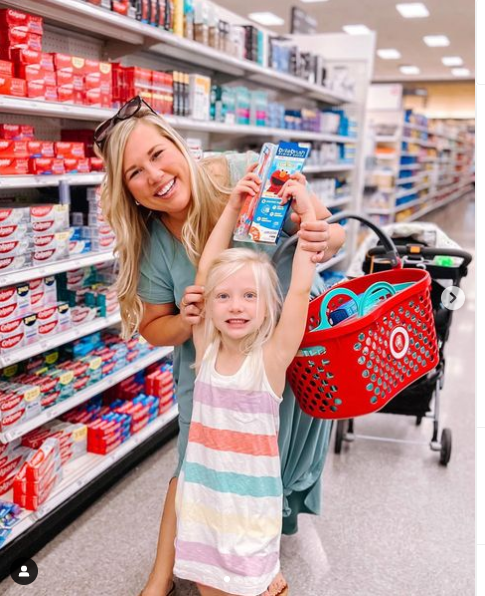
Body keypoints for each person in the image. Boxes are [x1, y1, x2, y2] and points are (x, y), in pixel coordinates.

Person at [94, 96, 344, 596]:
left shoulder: (239, 174)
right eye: (135, 173)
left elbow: (328, 234)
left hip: (281, 352)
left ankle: (257, 562)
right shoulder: (148, 241)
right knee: (195, 463)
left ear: (178, 146)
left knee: (267, 463)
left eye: (158, 155)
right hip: (210, 358)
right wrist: (189, 322)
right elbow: (155, 326)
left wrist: (320, 232)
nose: (155, 176)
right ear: (128, 192)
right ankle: (161, 576)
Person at [172, 163, 317, 596]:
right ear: (209, 305)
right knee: (209, 586)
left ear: (266, 305)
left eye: (249, 296)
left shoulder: (271, 360)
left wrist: (307, 211)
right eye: (225, 296)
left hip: (251, 507)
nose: (236, 306)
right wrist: (234, 207)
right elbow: (207, 269)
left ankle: (269, 581)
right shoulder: (207, 351)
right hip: (203, 500)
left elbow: (298, 293)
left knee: (246, 585)